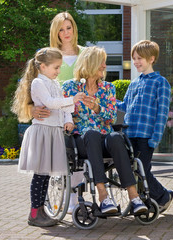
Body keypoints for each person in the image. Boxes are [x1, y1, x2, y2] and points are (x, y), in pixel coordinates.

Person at [62, 46, 148, 214]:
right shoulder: (70, 87)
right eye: (102, 62)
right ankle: (103, 195)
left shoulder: (108, 88)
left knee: (116, 137)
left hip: (104, 140)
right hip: (81, 141)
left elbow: (112, 118)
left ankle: (134, 197)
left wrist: (96, 108)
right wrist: (69, 122)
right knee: (92, 134)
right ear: (91, 64)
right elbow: (64, 114)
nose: (104, 66)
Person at [12, 47, 79, 227]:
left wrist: (69, 119)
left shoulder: (55, 84)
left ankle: (41, 210)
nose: (58, 71)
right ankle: (34, 213)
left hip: (54, 132)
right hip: (43, 132)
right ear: (42, 66)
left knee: (47, 175)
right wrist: (73, 99)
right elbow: (50, 103)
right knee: (40, 175)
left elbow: (63, 108)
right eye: (56, 68)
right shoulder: (38, 84)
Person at [31, 12, 85, 214]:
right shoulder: (47, 57)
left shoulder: (85, 54)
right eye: (60, 29)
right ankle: (43, 207)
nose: (65, 33)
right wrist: (31, 109)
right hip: (53, 119)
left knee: (80, 159)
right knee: (51, 165)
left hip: (80, 117)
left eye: (68, 28)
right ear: (55, 32)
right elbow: (31, 91)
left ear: (74, 28)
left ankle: (74, 200)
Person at [116, 40, 173, 214]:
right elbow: (125, 106)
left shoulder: (160, 82)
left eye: (139, 58)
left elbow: (162, 113)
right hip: (129, 134)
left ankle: (163, 196)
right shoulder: (134, 83)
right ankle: (143, 201)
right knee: (130, 170)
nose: (135, 62)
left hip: (145, 136)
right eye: (134, 58)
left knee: (143, 170)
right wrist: (107, 100)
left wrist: (155, 137)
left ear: (152, 58)